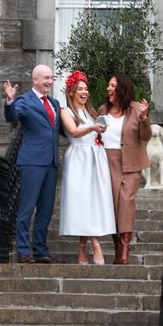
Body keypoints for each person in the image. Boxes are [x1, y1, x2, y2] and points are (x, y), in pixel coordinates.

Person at [3, 64, 63, 264]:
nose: (49, 81)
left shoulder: (54, 103)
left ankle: (40, 250)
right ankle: (22, 250)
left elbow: (64, 129)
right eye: (45, 78)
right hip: (32, 162)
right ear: (35, 80)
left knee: (45, 210)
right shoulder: (24, 101)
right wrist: (10, 100)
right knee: (27, 209)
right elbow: (12, 117)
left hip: (51, 163)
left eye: (51, 78)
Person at [59, 70, 117, 265]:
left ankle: (82, 247)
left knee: (93, 203)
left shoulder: (91, 112)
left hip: (95, 158)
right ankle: (96, 244)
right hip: (79, 160)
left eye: (86, 89)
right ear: (72, 92)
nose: (84, 92)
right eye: (80, 89)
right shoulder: (66, 112)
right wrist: (92, 128)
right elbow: (74, 132)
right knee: (82, 203)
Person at [98, 73, 150, 264]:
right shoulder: (103, 110)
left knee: (126, 204)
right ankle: (118, 245)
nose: (108, 89)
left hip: (130, 164)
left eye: (112, 86)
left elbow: (145, 136)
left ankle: (125, 249)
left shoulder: (137, 109)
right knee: (111, 206)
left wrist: (144, 118)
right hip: (106, 163)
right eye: (109, 86)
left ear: (122, 88)